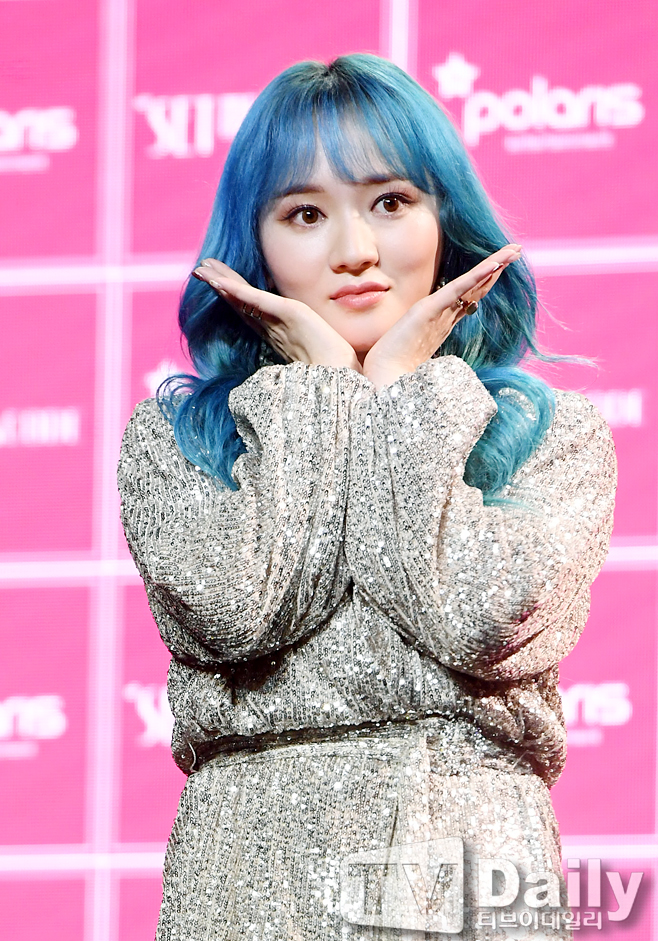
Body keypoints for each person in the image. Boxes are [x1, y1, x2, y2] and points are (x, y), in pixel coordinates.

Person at [117, 54, 617, 940]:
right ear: (256, 242)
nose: (355, 250)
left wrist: (401, 395)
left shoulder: (552, 434)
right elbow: (237, 608)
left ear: (443, 217)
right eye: (306, 214)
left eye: (390, 201)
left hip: (471, 869)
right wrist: (319, 390)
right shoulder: (175, 440)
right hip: (249, 880)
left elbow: (479, 617)